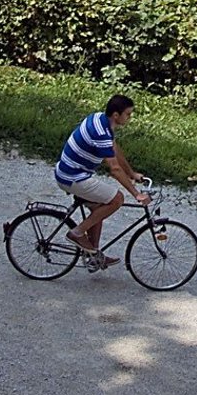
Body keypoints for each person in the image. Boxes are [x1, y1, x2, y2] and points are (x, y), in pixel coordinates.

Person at [55, 95, 149, 268]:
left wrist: (131, 173)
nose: (129, 118)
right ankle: (77, 233)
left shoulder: (101, 120)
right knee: (117, 199)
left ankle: (94, 255)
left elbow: (114, 148)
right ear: (116, 115)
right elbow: (114, 169)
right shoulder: (101, 133)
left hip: (71, 172)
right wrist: (136, 194)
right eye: (127, 114)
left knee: (100, 207)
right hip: (73, 177)